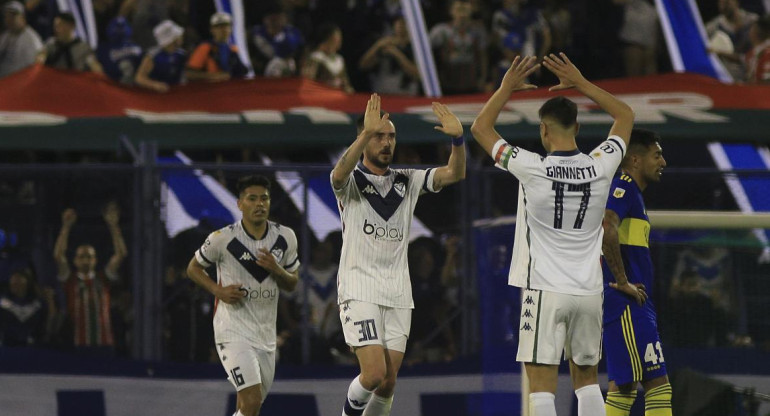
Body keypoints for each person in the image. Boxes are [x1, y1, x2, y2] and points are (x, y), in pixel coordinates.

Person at [470, 54, 635, 416]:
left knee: (541, 385)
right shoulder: (601, 163)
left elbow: (481, 129)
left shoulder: (532, 167)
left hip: (545, 289)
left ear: (543, 131)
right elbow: (625, 115)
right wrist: (582, 82)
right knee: (588, 380)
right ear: (577, 128)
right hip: (590, 290)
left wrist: (506, 88)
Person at [332, 94, 466, 416]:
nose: (386, 142)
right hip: (359, 288)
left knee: (388, 382)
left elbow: (454, 174)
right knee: (373, 373)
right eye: (379, 136)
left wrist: (458, 139)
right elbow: (337, 175)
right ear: (364, 140)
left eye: (391, 136)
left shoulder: (408, 179)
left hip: (397, 292)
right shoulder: (350, 183)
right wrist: (366, 131)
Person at [186, 175, 300, 416]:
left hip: (266, 335)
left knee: (248, 408)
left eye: (264, 199)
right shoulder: (222, 239)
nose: (259, 204)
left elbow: (292, 283)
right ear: (240, 204)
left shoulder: (285, 237)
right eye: (252, 199)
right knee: (252, 401)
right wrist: (218, 290)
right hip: (232, 329)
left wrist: (275, 269)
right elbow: (193, 268)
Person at [601, 129, 672, 415]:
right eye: (656, 155)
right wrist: (622, 281)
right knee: (655, 385)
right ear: (635, 160)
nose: (663, 162)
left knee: (627, 388)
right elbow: (607, 226)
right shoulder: (624, 186)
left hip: (635, 303)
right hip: (627, 303)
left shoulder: (632, 193)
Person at [53, 203, 128, 353]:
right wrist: (66, 227)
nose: (86, 260)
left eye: (89, 257)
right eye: (82, 256)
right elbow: (58, 256)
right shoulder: (70, 280)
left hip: (105, 344)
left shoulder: (103, 278)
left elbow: (121, 255)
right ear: (75, 260)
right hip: (78, 344)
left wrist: (113, 226)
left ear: (95, 260)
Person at [186, 12, 248, 82]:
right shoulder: (205, 47)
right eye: (219, 27)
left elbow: (240, 72)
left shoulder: (233, 49)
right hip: (208, 89)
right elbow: (189, 73)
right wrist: (212, 76)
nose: (223, 29)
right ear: (212, 30)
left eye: (226, 26)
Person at [38, 12, 103, 74]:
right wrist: (40, 61)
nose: (57, 29)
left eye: (61, 25)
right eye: (56, 26)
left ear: (72, 26)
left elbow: (93, 64)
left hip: (75, 80)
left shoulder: (83, 48)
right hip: (55, 79)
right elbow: (41, 57)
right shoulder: (51, 44)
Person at [134, 19, 186, 93]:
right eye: (178, 36)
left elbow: (183, 74)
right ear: (172, 40)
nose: (182, 36)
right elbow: (139, 78)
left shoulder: (181, 54)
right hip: (154, 95)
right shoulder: (153, 56)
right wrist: (154, 85)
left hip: (174, 94)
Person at [302, 22, 354, 93]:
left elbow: (346, 82)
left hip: (338, 96)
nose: (339, 43)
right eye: (336, 39)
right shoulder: (316, 58)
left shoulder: (339, 59)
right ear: (327, 40)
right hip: (321, 95)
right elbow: (308, 81)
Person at [0, 1, 43, 78]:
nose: (10, 19)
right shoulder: (5, 36)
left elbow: (36, 68)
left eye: (13, 16)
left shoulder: (32, 39)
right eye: (7, 16)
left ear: (22, 17)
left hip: (20, 83)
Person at [96, 16, 142, 85]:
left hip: (135, 88)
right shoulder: (103, 49)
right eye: (117, 27)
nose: (120, 30)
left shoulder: (136, 47)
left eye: (122, 27)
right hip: (113, 87)